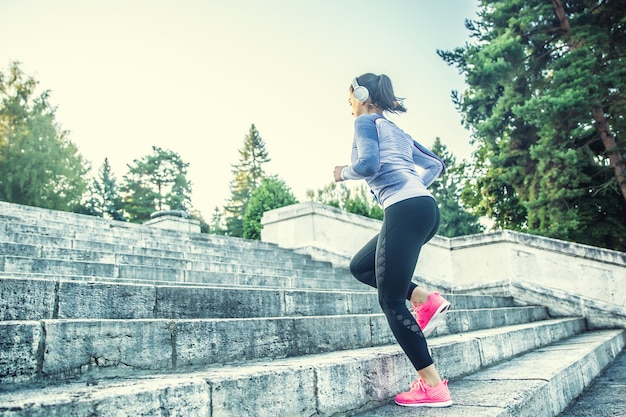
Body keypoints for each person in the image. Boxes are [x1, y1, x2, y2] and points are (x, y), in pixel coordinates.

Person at [333, 73, 453, 408]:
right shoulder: (396, 130)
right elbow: (435, 164)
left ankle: (433, 387)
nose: (349, 104)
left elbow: (368, 163)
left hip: (404, 207)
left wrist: (344, 172)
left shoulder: (365, 122)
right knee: (361, 266)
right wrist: (411, 183)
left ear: (361, 94)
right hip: (423, 208)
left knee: (390, 301)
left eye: (350, 98)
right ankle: (424, 299)